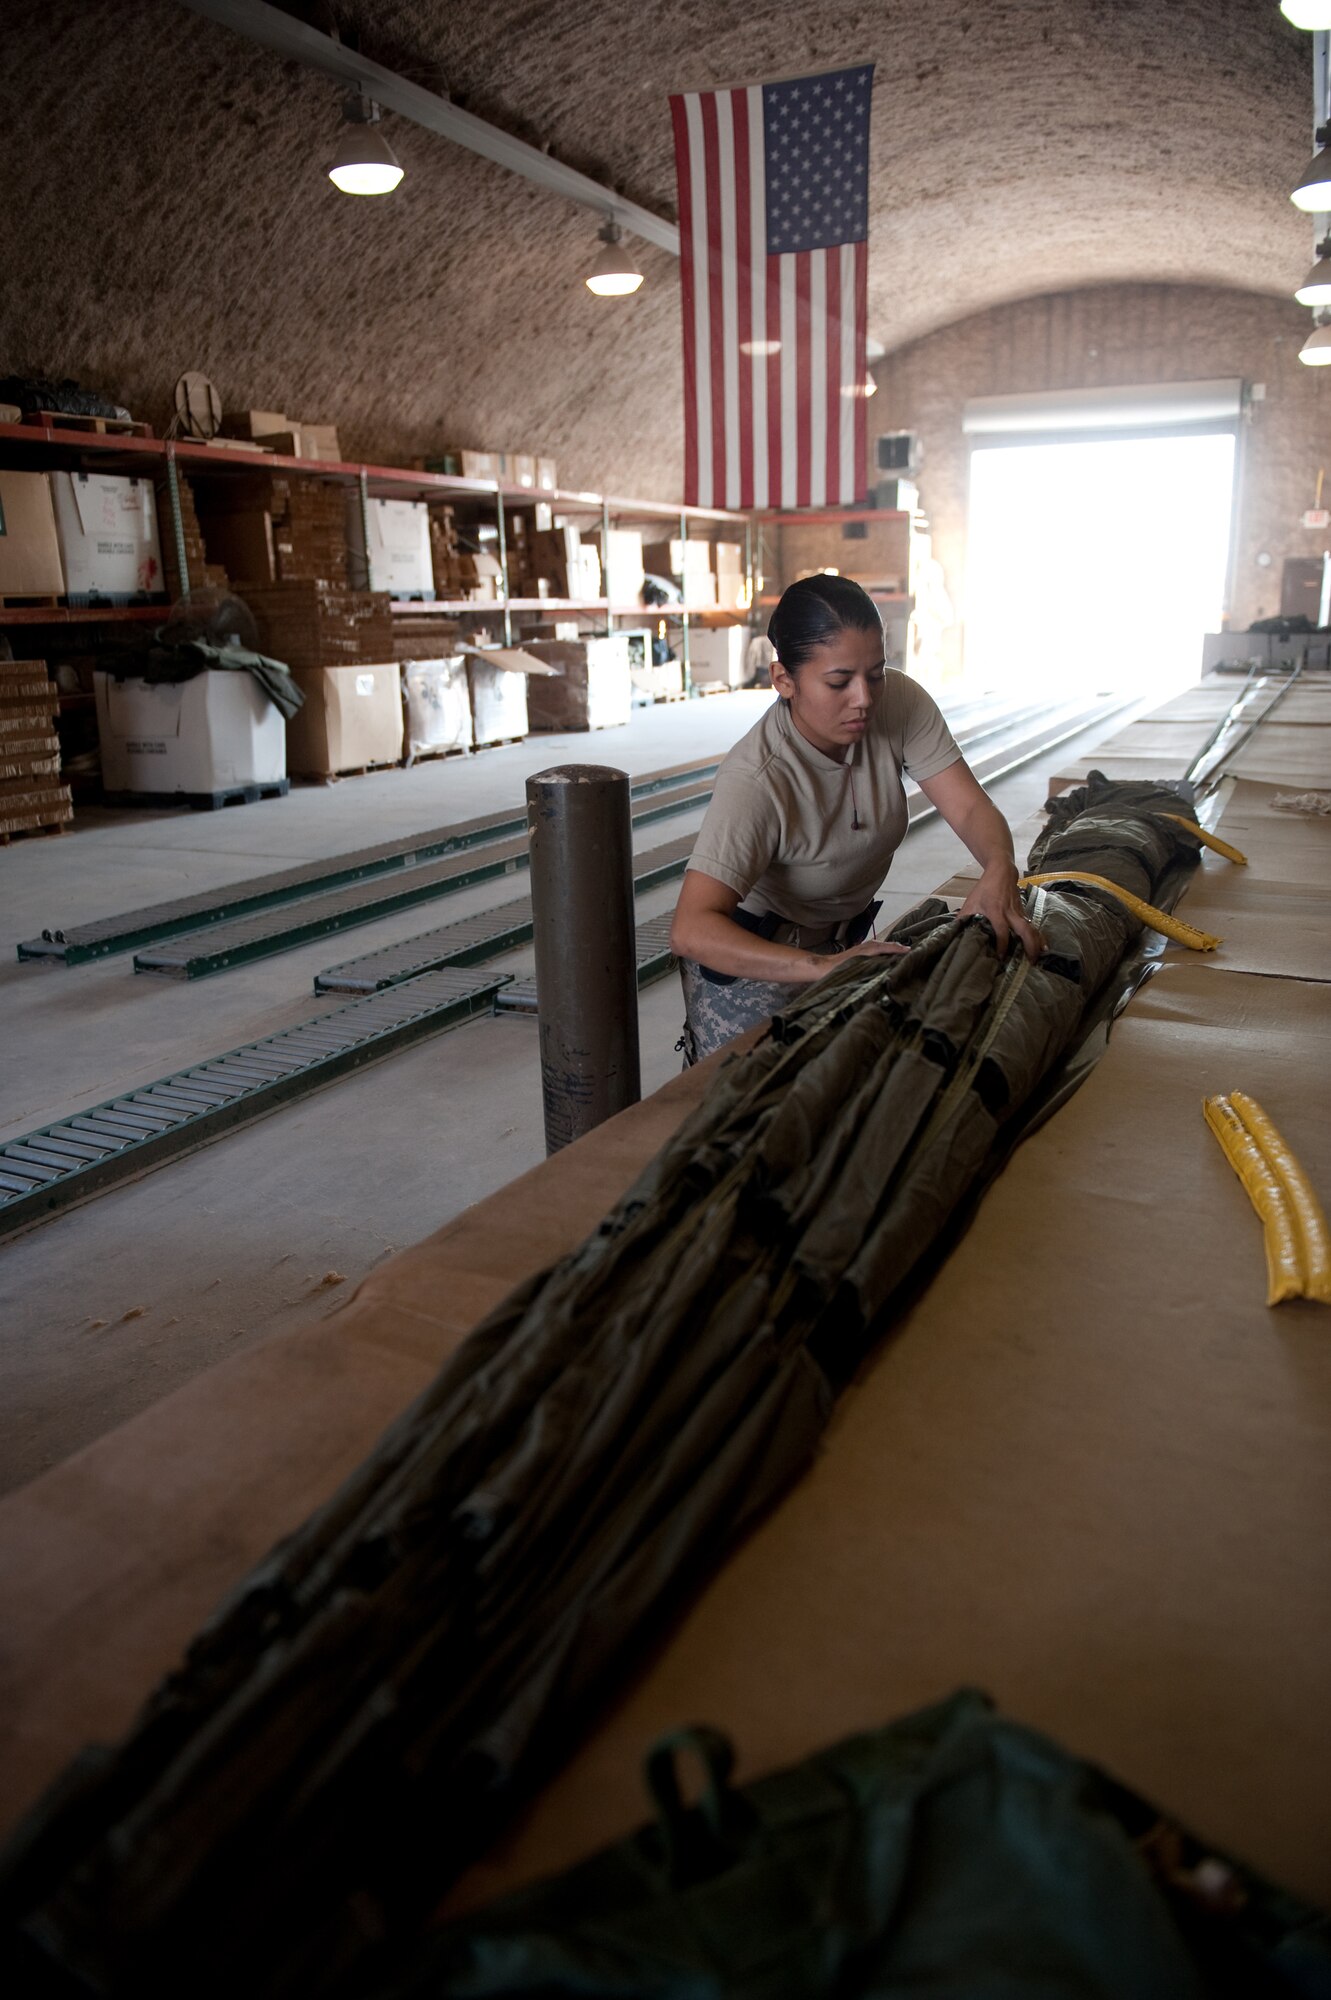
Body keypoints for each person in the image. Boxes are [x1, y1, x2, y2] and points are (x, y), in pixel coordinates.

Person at [669, 573, 1044, 1064]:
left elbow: (970, 806)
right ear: (783, 680)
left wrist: (999, 869)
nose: (864, 698)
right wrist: (822, 967)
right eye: (839, 681)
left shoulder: (900, 703)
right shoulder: (758, 778)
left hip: (840, 947)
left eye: (876, 673)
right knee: (745, 1102)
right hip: (756, 961)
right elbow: (691, 928)